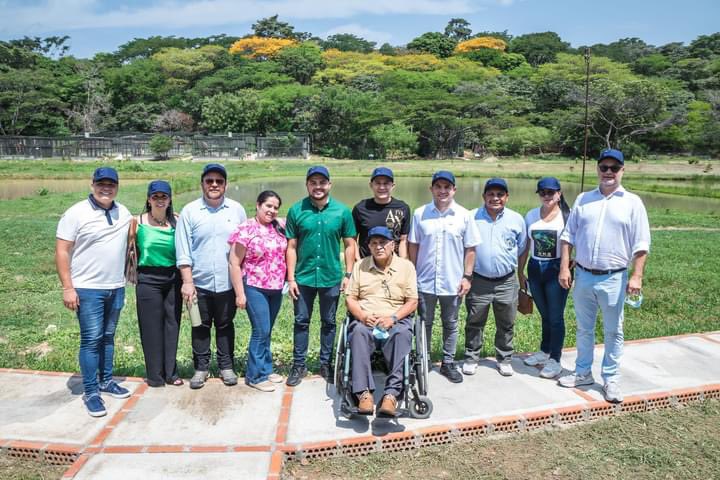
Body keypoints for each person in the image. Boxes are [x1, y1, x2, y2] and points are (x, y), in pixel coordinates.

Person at [557, 149, 651, 403]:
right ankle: (582, 372)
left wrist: (637, 276)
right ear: (598, 169)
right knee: (584, 329)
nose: (608, 172)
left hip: (614, 277)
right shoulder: (583, 199)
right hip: (584, 276)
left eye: (614, 168)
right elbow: (568, 237)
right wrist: (565, 268)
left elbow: (641, 244)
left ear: (622, 170)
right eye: (604, 167)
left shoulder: (633, 202)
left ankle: (610, 379)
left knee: (613, 331)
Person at [55, 167, 132, 417]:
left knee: (108, 337)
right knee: (91, 339)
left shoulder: (124, 213)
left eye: (111, 184)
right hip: (88, 289)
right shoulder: (76, 213)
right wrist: (68, 287)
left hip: (115, 286)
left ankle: (106, 381)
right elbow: (62, 251)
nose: (106, 188)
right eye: (101, 184)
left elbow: (134, 235)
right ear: (92, 185)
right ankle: (91, 391)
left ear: (117, 187)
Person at [175, 163, 247, 389]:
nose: (214, 185)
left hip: (227, 282)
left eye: (219, 181)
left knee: (225, 324)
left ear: (225, 184)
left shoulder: (236, 210)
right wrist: (187, 281)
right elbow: (183, 248)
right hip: (199, 283)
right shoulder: (190, 211)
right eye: (209, 181)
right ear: (202, 184)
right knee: (200, 325)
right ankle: (201, 368)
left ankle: (226, 366)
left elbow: (244, 245)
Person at [285, 166, 357, 387]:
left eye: (322, 182)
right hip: (303, 277)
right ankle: (299, 364)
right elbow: (291, 246)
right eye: (313, 182)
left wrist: (348, 273)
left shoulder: (342, 212)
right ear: (307, 185)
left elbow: (349, 244)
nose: (318, 187)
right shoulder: (296, 210)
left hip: (331, 277)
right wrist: (291, 279)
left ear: (329, 184)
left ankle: (325, 363)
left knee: (328, 322)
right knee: (301, 321)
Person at [408, 171, 481, 383]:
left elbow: (470, 249)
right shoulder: (420, 213)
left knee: (451, 323)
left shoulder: (464, 215)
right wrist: (412, 273)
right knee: (424, 323)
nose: (442, 191)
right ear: (431, 189)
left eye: (447, 187)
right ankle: (424, 361)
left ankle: (448, 363)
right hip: (425, 280)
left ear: (454, 190)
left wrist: (467, 277)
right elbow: (414, 244)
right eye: (438, 187)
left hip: (453, 281)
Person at [345, 226, 418, 417]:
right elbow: (350, 299)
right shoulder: (360, 266)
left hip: (395, 320)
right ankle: (363, 394)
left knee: (402, 334)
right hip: (367, 319)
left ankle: (391, 395)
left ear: (392, 245)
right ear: (368, 246)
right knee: (358, 332)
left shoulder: (406, 267)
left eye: (383, 243)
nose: (379, 247)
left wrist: (392, 318)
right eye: (374, 243)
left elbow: (412, 301)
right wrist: (362, 316)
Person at [463, 178, 527, 377]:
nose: (495, 198)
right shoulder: (471, 217)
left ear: (506, 197)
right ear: (484, 197)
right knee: (474, 320)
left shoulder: (517, 219)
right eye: (490, 194)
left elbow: (522, 248)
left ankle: (504, 358)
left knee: (506, 321)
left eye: (500, 194)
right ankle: (471, 357)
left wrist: (519, 273)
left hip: (506, 280)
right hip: (479, 279)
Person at [228, 191, 287, 392]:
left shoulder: (278, 226)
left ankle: (266, 368)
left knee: (267, 330)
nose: (271, 210)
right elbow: (234, 263)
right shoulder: (246, 229)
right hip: (254, 286)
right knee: (260, 331)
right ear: (258, 205)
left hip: (276, 287)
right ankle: (255, 375)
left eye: (275, 207)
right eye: (268, 206)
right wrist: (240, 293)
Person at [517, 177, 571, 379]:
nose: (546, 196)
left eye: (551, 192)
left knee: (556, 316)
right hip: (535, 267)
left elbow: (577, 241)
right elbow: (525, 246)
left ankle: (555, 359)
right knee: (544, 314)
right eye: (542, 192)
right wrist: (520, 271)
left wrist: (568, 265)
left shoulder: (567, 216)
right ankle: (544, 350)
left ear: (559, 193)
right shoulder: (531, 215)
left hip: (556, 268)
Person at [133, 180, 183, 388]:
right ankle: (155, 374)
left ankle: (171, 372)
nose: (160, 200)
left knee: (172, 325)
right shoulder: (137, 222)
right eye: (156, 197)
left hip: (173, 277)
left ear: (170, 199)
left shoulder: (178, 221)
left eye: (164, 197)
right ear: (149, 199)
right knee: (151, 327)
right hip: (147, 278)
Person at [352, 167, 411, 259]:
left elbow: (403, 240)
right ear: (371, 185)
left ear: (393, 185)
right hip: (366, 263)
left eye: (386, 183)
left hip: (393, 264)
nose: (382, 187)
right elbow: (353, 240)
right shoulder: (360, 208)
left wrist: (402, 263)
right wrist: (358, 261)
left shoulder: (403, 208)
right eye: (377, 183)